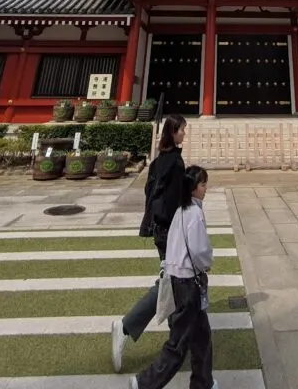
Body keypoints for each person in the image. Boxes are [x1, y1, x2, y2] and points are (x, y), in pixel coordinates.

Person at [129, 165, 218, 389]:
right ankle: (143, 383)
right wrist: (208, 262)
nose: (206, 189)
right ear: (194, 188)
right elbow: (199, 252)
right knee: (178, 345)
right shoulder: (194, 214)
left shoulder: (181, 210)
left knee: (201, 338)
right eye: (203, 184)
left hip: (181, 279)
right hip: (189, 284)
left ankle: (203, 383)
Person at [112, 114, 187, 373]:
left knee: (175, 282)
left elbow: (149, 194)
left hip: (158, 229)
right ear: (172, 132)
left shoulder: (157, 163)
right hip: (171, 231)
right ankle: (125, 326)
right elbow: (174, 203)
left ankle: (179, 340)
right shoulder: (176, 163)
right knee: (172, 282)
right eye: (181, 130)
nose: (184, 134)